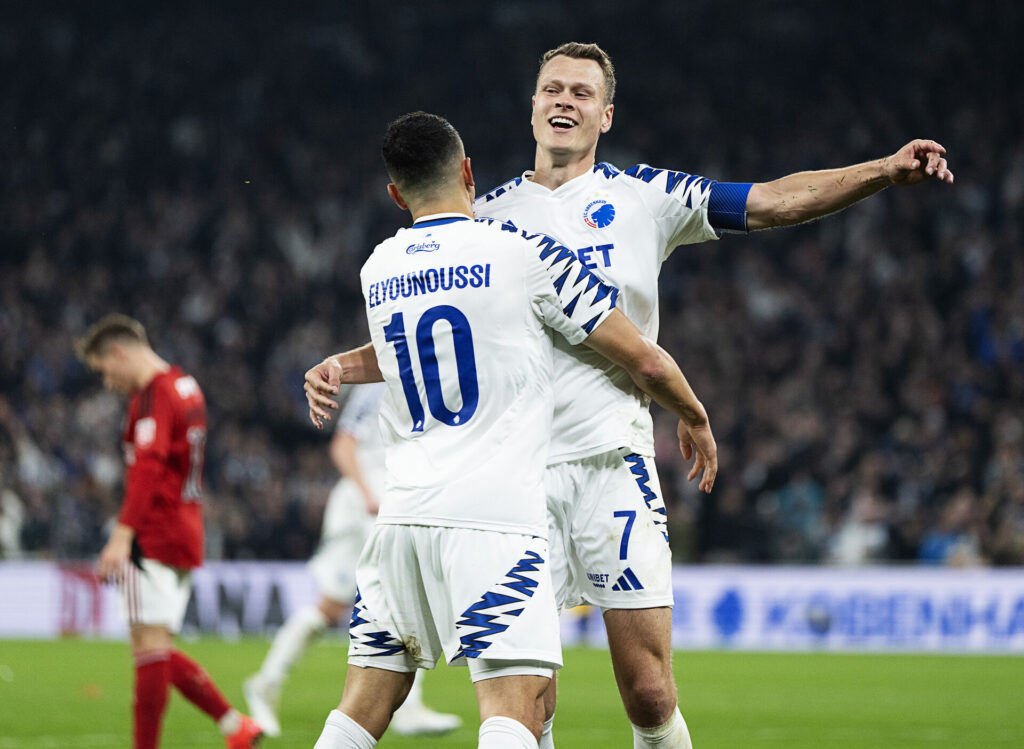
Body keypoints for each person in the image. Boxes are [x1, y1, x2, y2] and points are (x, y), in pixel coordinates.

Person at [469, 42, 956, 749]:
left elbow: (772, 201)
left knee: (650, 692)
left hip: (613, 466)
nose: (564, 101)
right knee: (523, 703)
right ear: (533, 104)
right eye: (552, 89)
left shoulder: (643, 194)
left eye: (581, 92)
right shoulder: (484, 217)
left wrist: (882, 170)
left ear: (606, 114)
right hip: (516, 477)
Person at [304, 111, 717, 749]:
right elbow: (640, 356)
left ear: (395, 195)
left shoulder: (379, 268)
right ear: (469, 173)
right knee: (513, 712)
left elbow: (397, 353)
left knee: (358, 711)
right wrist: (692, 411)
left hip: (402, 518)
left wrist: (335, 364)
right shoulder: (520, 252)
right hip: (494, 521)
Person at [77, 314, 262, 749]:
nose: (108, 383)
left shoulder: (154, 395)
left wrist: (123, 534)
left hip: (152, 535)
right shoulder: (186, 385)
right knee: (159, 648)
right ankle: (236, 726)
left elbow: (149, 466)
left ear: (119, 353)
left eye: (105, 371)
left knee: (147, 649)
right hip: (185, 530)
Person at [244, 382, 461, 737]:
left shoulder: (427, 381)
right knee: (386, 597)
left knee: (354, 605)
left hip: (389, 501)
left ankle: (265, 683)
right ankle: (266, 684)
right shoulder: (379, 385)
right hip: (364, 506)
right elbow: (343, 444)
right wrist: (365, 493)